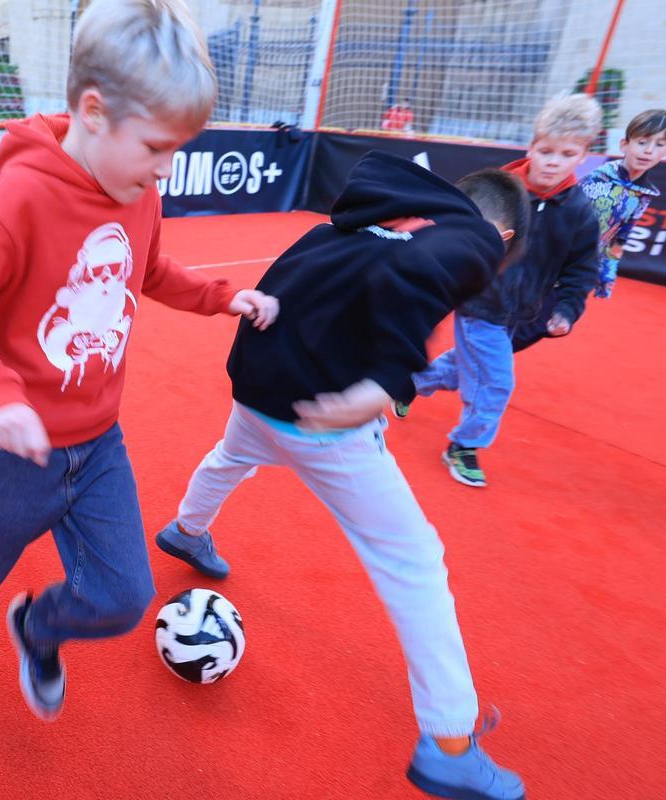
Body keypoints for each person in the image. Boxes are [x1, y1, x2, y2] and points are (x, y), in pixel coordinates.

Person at [0, 0, 279, 721]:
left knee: (125, 597)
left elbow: (152, 269)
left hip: (99, 442)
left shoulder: (138, 190)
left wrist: (223, 298)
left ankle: (37, 627)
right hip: (17, 453)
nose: (165, 169)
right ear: (95, 112)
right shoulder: (17, 202)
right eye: (158, 147)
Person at [156, 151, 529, 800]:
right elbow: (421, 276)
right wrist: (387, 379)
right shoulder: (470, 238)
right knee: (415, 563)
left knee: (230, 457)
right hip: (324, 420)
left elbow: (292, 281)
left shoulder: (356, 223)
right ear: (499, 239)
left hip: (258, 386)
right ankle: (449, 741)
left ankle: (188, 530)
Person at [402, 93, 601, 487]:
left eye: (565, 153)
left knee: (464, 366)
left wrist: (567, 309)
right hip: (480, 302)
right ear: (532, 146)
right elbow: (458, 232)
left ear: (583, 156)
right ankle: (463, 445)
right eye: (545, 150)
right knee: (495, 381)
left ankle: (407, 383)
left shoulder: (579, 211)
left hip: (523, 311)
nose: (553, 161)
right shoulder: (501, 192)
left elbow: (582, 268)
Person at [574, 109, 666, 301]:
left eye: (659, 144)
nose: (648, 151)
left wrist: (607, 272)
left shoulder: (644, 194)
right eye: (642, 142)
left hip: (582, 268)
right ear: (625, 144)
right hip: (553, 258)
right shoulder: (596, 178)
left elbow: (620, 236)